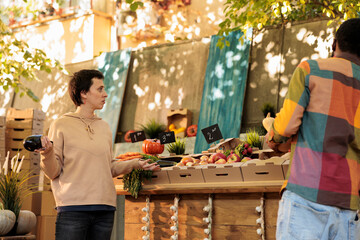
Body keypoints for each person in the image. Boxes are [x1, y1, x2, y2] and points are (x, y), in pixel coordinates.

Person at [266, 18, 360, 240]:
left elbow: (286, 126)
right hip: (349, 205)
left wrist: (274, 136)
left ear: (335, 43)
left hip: (306, 194)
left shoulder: (310, 70)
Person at [38, 69, 159, 240]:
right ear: (84, 93)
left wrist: (136, 163)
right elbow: (52, 172)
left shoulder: (104, 127)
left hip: (105, 209)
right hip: (74, 209)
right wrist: (47, 153)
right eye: (100, 89)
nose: (106, 94)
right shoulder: (61, 124)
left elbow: (109, 167)